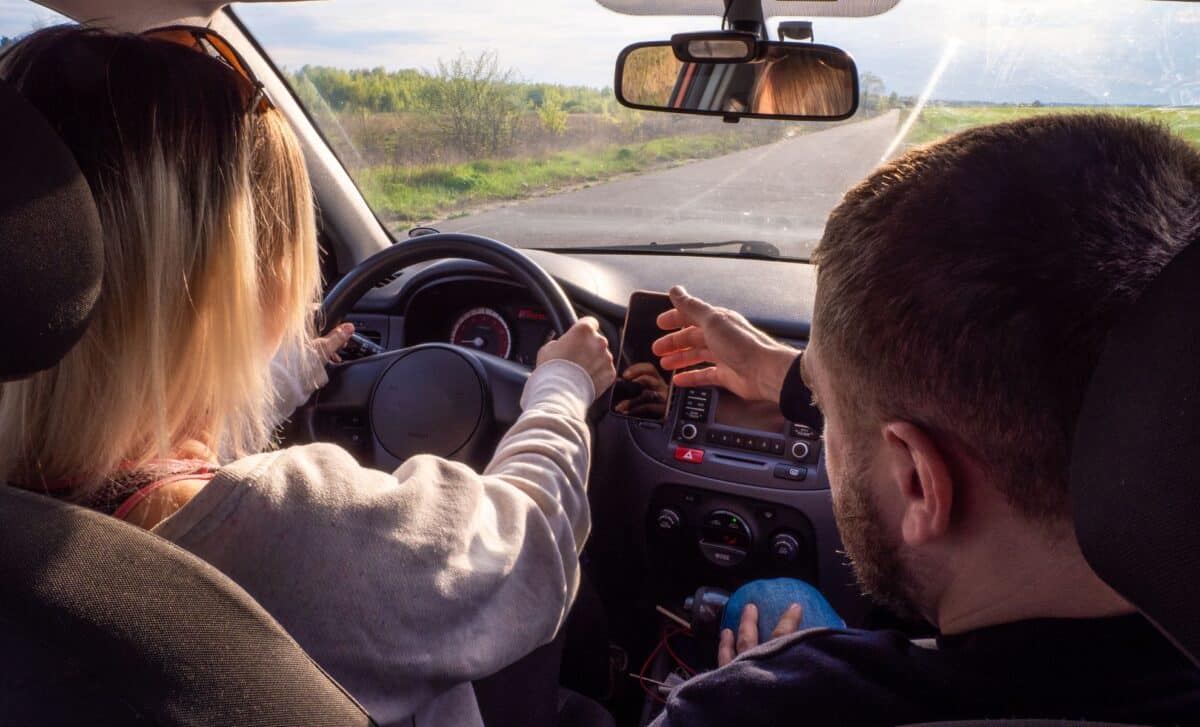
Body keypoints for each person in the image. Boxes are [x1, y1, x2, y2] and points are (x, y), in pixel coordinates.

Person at [0, 26, 615, 727]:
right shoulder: (290, 526)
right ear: (227, 281)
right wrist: (562, 387)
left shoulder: (35, 517)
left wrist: (290, 372)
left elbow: (143, 435)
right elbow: (529, 545)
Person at [649, 114, 1200, 724]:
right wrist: (787, 375)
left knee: (769, 599)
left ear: (917, 481)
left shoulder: (750, 707)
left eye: (825, 412)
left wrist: (754, 685)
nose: (823, 424)